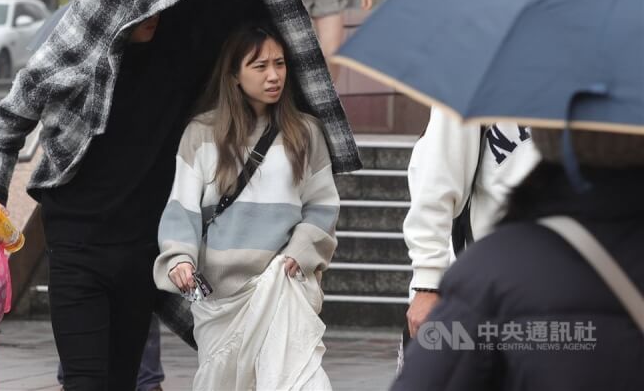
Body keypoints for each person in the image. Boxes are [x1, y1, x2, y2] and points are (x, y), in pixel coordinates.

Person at [0, 0, 361, 390]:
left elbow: (229, 7)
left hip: (141, 248)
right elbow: (7, 120)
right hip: (77, 246)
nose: (155, 14)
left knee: (122, 378)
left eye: (161, 3)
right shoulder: (77, 55)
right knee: (84, 380)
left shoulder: (178, 49)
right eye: (144, 7)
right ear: (119, 6)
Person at [154, 24, 340, 390]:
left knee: (303, 383)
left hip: (285, 287)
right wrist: (179, 258)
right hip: (220, 298)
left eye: (280, 63)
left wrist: (299, 253)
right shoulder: (202, 133)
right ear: (234, 76)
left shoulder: (306, 133)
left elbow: (322, 205)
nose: (274, 75)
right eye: (259, 66)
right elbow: (182, 207)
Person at [392, 127, 644, 390]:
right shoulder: (489, 275)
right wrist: (427, 282)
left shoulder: (486, 275)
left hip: (512, 276)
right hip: (514, 274)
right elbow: (436, 176)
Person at [403, 108, 540, 342]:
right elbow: (436, 184)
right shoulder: (476, 80)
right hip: (486, 288)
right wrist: (428, 284)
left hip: (563, 286)